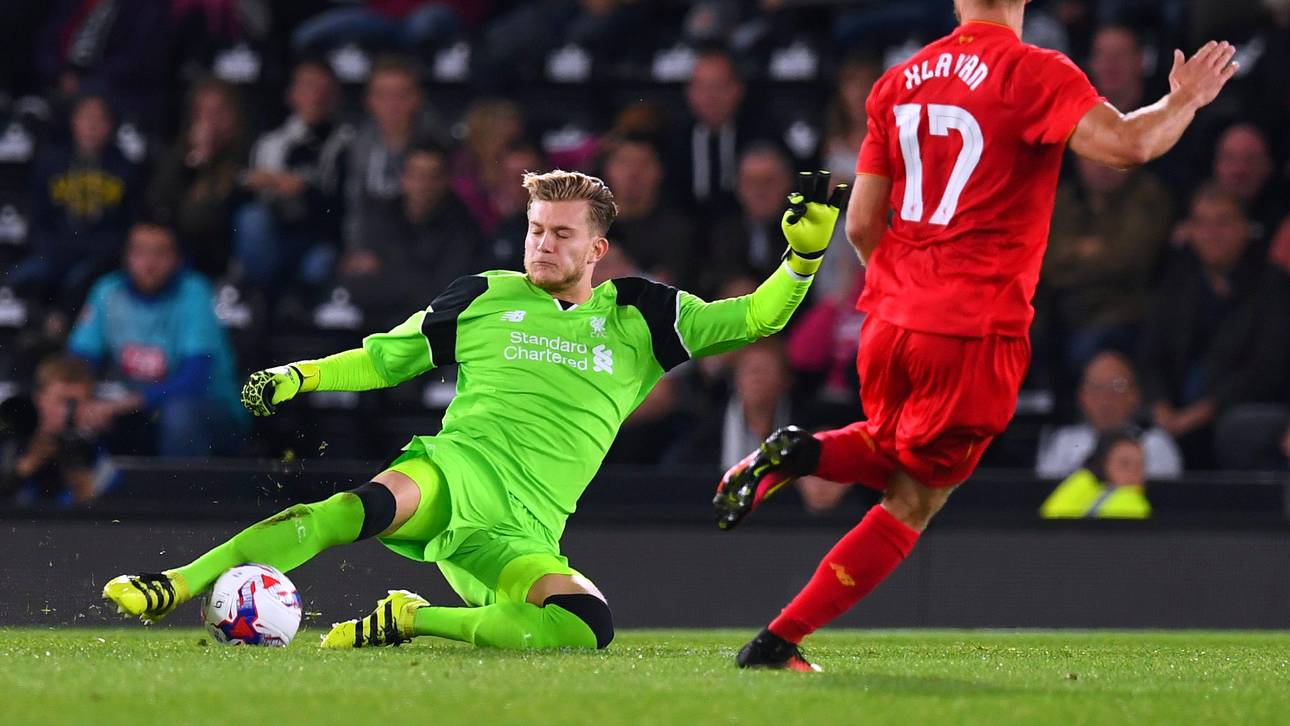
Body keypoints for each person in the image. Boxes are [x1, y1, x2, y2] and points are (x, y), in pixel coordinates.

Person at [102, 169, 847, 653]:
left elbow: (755, 319)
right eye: (535, 229)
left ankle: (411, 618)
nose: (543, 244)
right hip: (456, 470)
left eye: (561, 233)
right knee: (353, 509)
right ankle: (178, 581)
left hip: (526, 525)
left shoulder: (643, 316)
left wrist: (802, 260)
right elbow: (386, 358)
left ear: (598, 247)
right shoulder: (486, 295)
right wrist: (301, 374)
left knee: (587, 627)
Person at [714, 0, 1238, 671]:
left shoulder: (899, 80)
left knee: (897, 453)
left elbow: (861, 228)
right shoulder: (1033, 71)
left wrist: (911, 292)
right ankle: (776, 639)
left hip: (889, 320)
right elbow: (1130, 144)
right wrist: (1184, 100)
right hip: (971, 328)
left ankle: (803, 455)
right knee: (915, 498)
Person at [1139, 185, 1290, 468]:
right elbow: (1151, 355)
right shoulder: (1176, 281)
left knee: (1238, 429)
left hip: (1236, 408)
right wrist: (1160, 407)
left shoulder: (1272, 285)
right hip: (1175, 409)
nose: (1212, 234)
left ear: (1245, 228)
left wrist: (1201, 412)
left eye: (1222, 223)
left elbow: (1265, 370)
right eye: (1201, 223)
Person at [67, 222, 247, 457]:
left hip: (208, 408)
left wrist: (122, 405)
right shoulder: (108, 290)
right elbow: (79, 361)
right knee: (68, 404)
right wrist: (82, 401)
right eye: (140, 252)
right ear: (127, 256)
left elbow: (194, 380)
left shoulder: (194, 292)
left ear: (177, 259)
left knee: (179, 414)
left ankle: (181, 493)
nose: (149, 264)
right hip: (136, 404)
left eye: (160, 253)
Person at [234, 59, 353, 292]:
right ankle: (255, 297)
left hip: (318, 235)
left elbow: (342, 209)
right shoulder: (270, 143)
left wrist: (304, 191)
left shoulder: (345, 143)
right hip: (275, 229)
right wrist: (255, 183)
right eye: (308, 87)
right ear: (292, 94)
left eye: (323, 90)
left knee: (318, 263)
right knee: (251, 219)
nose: (316, 97)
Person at [339, 143, 482, 330]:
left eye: (432, 176)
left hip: (432, 335)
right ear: (403, 178)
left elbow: (445, 296)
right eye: (416, 175)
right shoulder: (381, 216)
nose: (423, 184)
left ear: (445, 181)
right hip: (375, 331)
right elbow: (356, 287)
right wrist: (418, 278)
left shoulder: (463, 225)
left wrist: (387, 272)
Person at [1036, 351, 1182, 480]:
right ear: (1082, 396)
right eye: (1096, 387)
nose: (1106, 399)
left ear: (1135, 396)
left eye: (1118, 387)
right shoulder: (1064, 442)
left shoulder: (1155, 445)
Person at [0, 354, 113, 505]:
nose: (69, 412)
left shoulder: (93, 451)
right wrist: (24, 469)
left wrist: (84, 485)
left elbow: (111, 514)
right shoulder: (10, 439)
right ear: (39, 399)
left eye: (77, 404)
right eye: (62, 402)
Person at [1039, 430, 1151, 519]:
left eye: (1140, 465)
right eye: (1124, 464)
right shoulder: (1081, 484)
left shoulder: (1134, 500)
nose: (1134, 472)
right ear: (1103, 465)